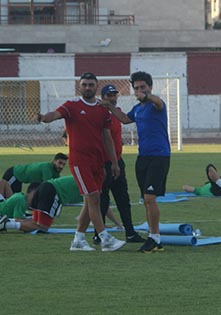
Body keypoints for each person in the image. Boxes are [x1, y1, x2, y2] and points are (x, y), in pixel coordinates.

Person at [37, 72, 126, 252]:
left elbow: (107, 137)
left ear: (96, 86)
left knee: (91, 201)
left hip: (98, 161)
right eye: (84, 84)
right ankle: (105, 238)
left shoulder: (103, 109)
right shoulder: (72, 106)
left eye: (90, 85)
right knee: (93, 198)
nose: (87, 88)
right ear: (80, 86)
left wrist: (115, 163)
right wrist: (44, 118)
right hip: (80, 161)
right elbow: (55, 114)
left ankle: (78, 239)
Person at [103, 71, 170, 253]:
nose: (139, 91)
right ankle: (153, 237)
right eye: (136, 88)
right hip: (143, 157)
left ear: (150, 87)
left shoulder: (156, 104)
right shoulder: (138, 108)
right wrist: (108, 106)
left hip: (159, 156)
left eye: (143, 87)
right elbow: (125, 119)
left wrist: (147, 96)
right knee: (146, 200)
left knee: (150, 197)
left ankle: (155, 237)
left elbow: (157, 101)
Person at [92, 85, 144, 245]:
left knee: (123, 197)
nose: (113, 98)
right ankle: (98, 234)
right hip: (104, 162)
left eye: (114, 95)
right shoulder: (98, 113)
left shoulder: (117, 112)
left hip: (117, 160)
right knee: (102, 198)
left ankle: (130, 232)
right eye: (109, 96)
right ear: (103, 97)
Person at [0, 153, 68, 197]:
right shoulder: (47, 168)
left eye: (63, 164)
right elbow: (47, 186)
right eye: (60, 163)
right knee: (4, 197)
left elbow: (57, 186)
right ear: (54, 161)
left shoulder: (56, 173)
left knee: (14, 201)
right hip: (14, 174)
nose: (61, 166)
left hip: (19, 180)